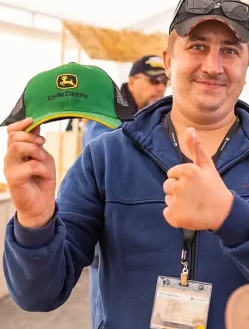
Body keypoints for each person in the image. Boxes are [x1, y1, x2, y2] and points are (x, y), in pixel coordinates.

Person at [1, 0, 249, 329]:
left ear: (246, 66)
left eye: (229, 50)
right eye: (198, 47)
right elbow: (38, 294)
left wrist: (232, 216)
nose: (213, 66)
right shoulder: (106, 156)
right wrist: (35, 221)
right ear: (168, 60)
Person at [81, 55, 168, 328]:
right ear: (132, 81)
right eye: (153, 81)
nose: (160, 88)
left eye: (164, 81)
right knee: (107, 308)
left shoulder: (145, 116)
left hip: (138, 232)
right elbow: (112, 170)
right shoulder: (109, 116)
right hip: (109, 230)